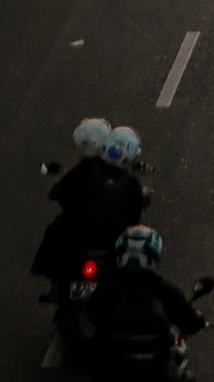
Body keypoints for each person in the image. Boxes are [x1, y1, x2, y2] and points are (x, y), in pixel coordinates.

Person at [31, 118, 149, 295]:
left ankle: (55, 283)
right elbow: (134, 218)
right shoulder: (132, 184)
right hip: (110, 242)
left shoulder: (88, 167)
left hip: (79, 236)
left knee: (55, 230)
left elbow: (59, 192)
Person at [79, 227, 205, 376]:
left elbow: (93, 314)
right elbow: (190, 323)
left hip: (115, 368)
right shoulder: (167, 291)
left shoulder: (107, 288)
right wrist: (199, 320)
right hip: (157, 371)